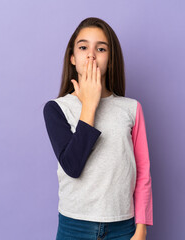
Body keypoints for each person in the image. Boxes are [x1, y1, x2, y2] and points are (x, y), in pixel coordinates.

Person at [43, 17, 153, 240]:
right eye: (83, 47)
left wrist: (141, 228)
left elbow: (142, 173)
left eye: (101, 49)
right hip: (75, 226)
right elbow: (72, 167)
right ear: (73, 58)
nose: (91, 54)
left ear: (110, 60)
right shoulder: (56, 109)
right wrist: (90, 105)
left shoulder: (131, 108)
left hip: (123, 227)